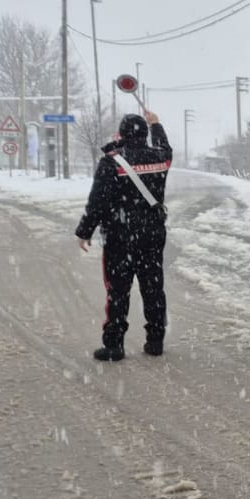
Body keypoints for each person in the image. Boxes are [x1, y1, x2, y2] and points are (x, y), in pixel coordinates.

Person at [75, 110, 173, 361]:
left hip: (120, 236)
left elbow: (97, 201)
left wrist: (85, 231)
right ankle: (155, 340)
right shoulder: (159, 158)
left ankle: (114, 344)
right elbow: (165, 147)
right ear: (144, 134)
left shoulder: (112, 162)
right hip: (152, 233)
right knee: (153, 287)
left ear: (121, 134)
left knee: (118, 290)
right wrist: (156, 124)